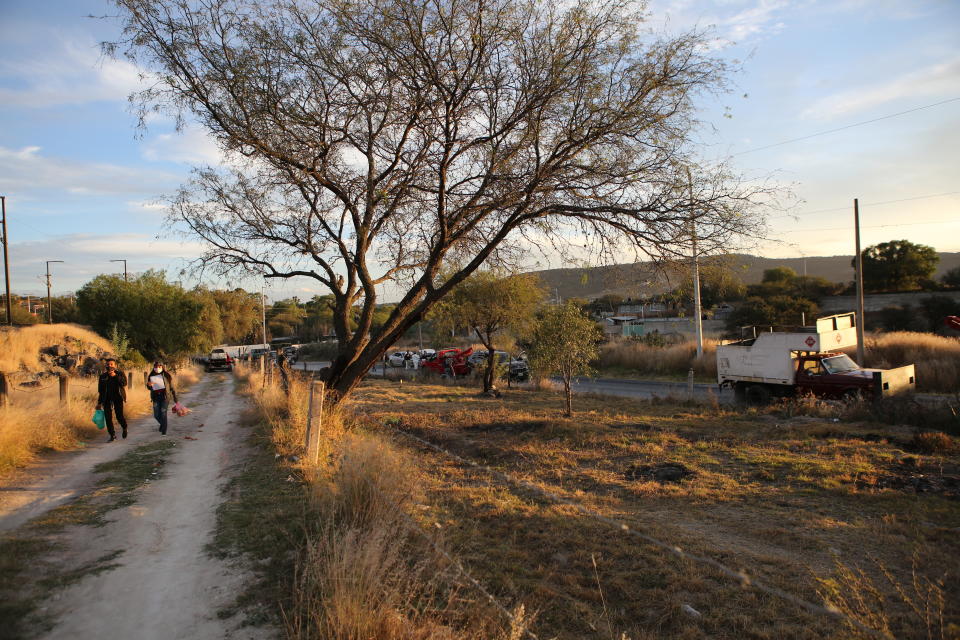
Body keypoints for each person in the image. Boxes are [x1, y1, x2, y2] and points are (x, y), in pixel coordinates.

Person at [97, 358, 128, 442]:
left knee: (119, 416)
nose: (109, 366)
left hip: (118, 398)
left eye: (111, 364)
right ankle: (112, 435)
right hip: (106, 399)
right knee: (108, 418)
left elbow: (124, 384)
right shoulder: (102, 376)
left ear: (115, 365)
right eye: (108, 364)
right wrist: (99, 403)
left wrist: (115, 376)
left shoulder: (120, 374)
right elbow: (101, 391)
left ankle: (124, 427)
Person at [146, 361, 178, 435]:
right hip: (155, 397)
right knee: (156, 415)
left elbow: (172, 387)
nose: (157, 368)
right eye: (156, 366)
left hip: (165, 397)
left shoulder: (167, 375)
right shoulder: (151, 375)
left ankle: (164, 430)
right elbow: (149, 387)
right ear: (153, 367)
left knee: (163, 413)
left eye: (159, 366)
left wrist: (175, 397)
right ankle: (163, 425)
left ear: (162, 367)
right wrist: (149, 385)